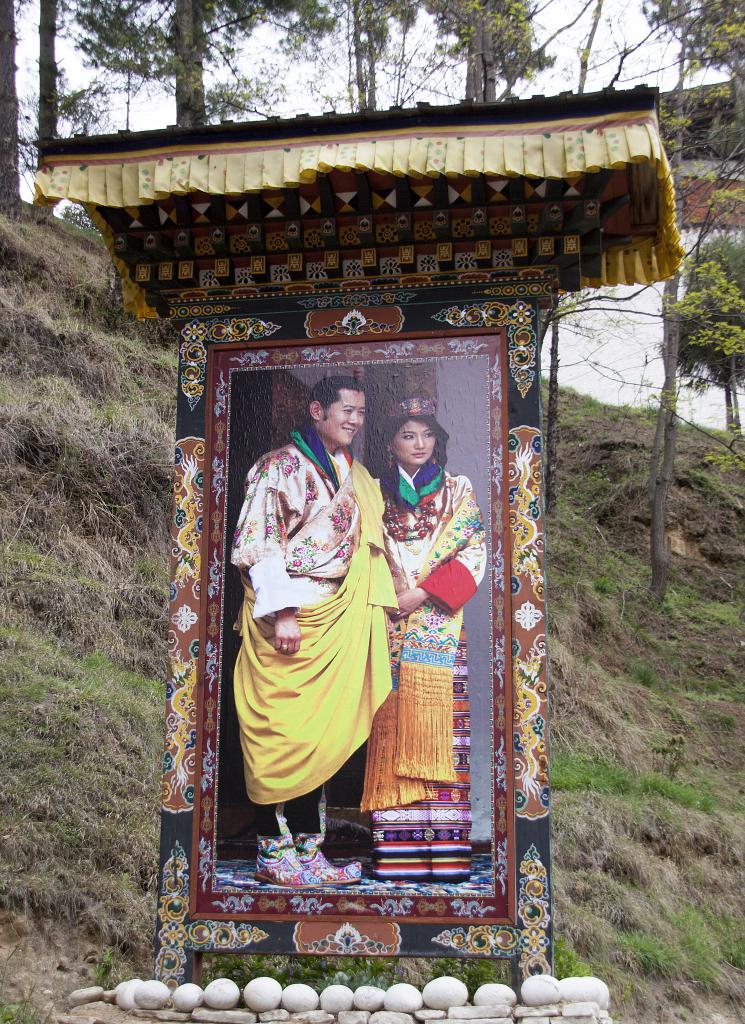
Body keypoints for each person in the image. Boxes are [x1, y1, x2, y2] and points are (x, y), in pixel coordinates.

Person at [231, 376, 396, 887]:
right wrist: (282, 613)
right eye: (346, 409)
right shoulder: (279, 466)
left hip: (337, 615)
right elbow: (259, 541)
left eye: (362, 412)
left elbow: (374, 543)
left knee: (319, 737)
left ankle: (308, 851)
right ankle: (272, 851)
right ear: (317, 410)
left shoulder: (357, 475)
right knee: (282, 735)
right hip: (292, 617)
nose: (354, 419)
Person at [360, 396, 486, 882]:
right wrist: (390, 592)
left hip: (437, 621)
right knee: (391, 724)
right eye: (408, 435)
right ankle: (397, 853)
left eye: (427, 435)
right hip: (388, 618)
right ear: (390, 441)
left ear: (438, 440)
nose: (419, 444)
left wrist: (424, 591)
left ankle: (446, 853)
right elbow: (360, 547)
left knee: (442, 732)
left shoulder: (458, 491)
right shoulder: (372, 491)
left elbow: (474, 548)